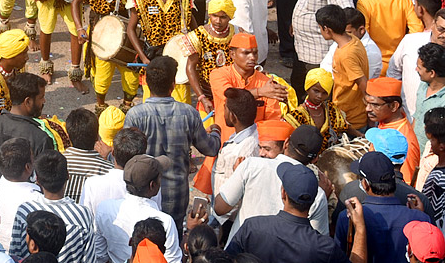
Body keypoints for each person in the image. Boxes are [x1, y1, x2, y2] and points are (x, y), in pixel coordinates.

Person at [124, 57, 222, 223]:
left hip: (144, 193)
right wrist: (216, 132)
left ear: (146, 83)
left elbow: (126, 155)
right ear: (173, 84)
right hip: (177, 193)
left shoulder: (135, 115)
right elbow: (210, 148)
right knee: (173, 238)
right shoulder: (188, 113)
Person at [225, 162, 366, 263]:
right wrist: (359, 227)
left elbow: (225, 259)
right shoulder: (325, 248)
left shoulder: (252, 227)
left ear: (283, 193)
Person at [7, 149, 96, 263]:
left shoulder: (25, 211)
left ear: (37, 180)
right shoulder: (82, 214)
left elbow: (14, 254)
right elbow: (89, 259)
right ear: (68, 176)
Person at [91, 154, 182, 263]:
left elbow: (100, 255)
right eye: (160, 177)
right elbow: (172, 260)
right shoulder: (164, 221)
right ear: (152, 185)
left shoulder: (104, 209)